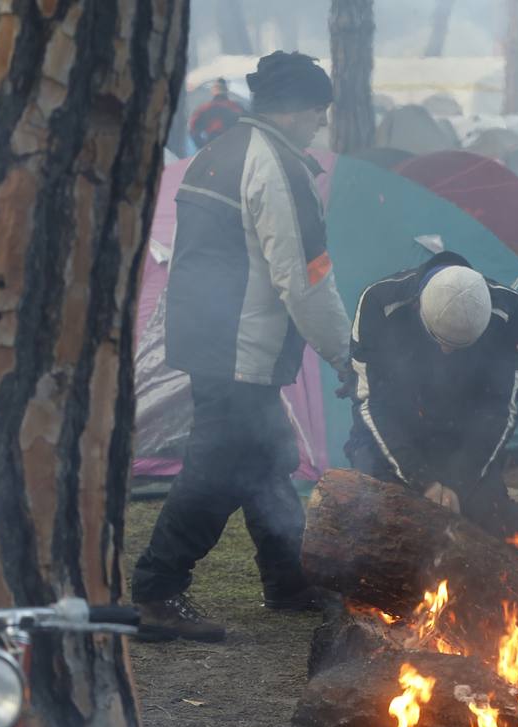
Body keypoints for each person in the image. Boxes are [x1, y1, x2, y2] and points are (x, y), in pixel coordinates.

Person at [131, 52, 351, 642]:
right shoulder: (276, 164)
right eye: (319, 112)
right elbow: (304, 277)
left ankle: (288, 580)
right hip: (239, 346)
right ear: (300, 109)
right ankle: (156, 589)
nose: (320, 125)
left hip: (208, 337)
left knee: (268, 457)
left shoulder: (216, 152)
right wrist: (345, 356)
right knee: (217, 470)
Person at [345, 252, 518, 537]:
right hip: (389, 439)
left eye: (460, 346)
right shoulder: (380, 303)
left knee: (492, 521)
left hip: (461, 443)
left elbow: (501, 409)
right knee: (379, 518)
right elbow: (371, 404)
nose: (447, 353)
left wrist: (458, 481)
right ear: (419, 306)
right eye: (439, 340)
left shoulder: (509, 312)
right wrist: (423, 481)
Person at [188, 78, 244, 150]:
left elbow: (192, 128)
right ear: (226, 90)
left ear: (214, 91)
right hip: (233, 148)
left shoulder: (204, 108)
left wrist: (201, 146)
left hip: (212, 147)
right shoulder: (237, 108)